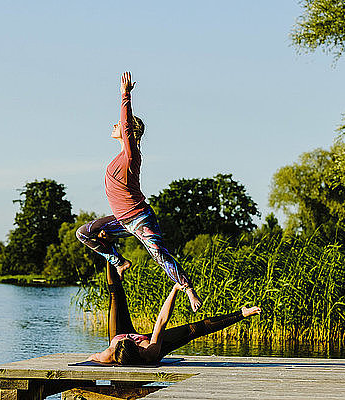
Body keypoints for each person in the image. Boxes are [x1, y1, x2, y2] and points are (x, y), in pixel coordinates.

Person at [76, 71, 202, 312]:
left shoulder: (131, 156)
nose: (115, 126)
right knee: (84, 233)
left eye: (121, 127)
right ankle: (120, 262)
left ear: (129, 132)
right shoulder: (118, 157)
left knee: (159, 255)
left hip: (140, 218)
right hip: (121, 221)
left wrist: (125, 95)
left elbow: (124, 124)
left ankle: (188, 289)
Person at [86, 262, 261, 365]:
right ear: (137, 347)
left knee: (115, 295)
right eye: (130, 340)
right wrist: (175, 289)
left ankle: (107, 249)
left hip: (126, 337)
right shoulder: (150, 351)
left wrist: (175, 289)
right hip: (151, 344)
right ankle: (242, 314)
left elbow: (90, 359)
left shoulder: (107, 354)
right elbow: (161, 321)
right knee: (193, 330)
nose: (131, 337)